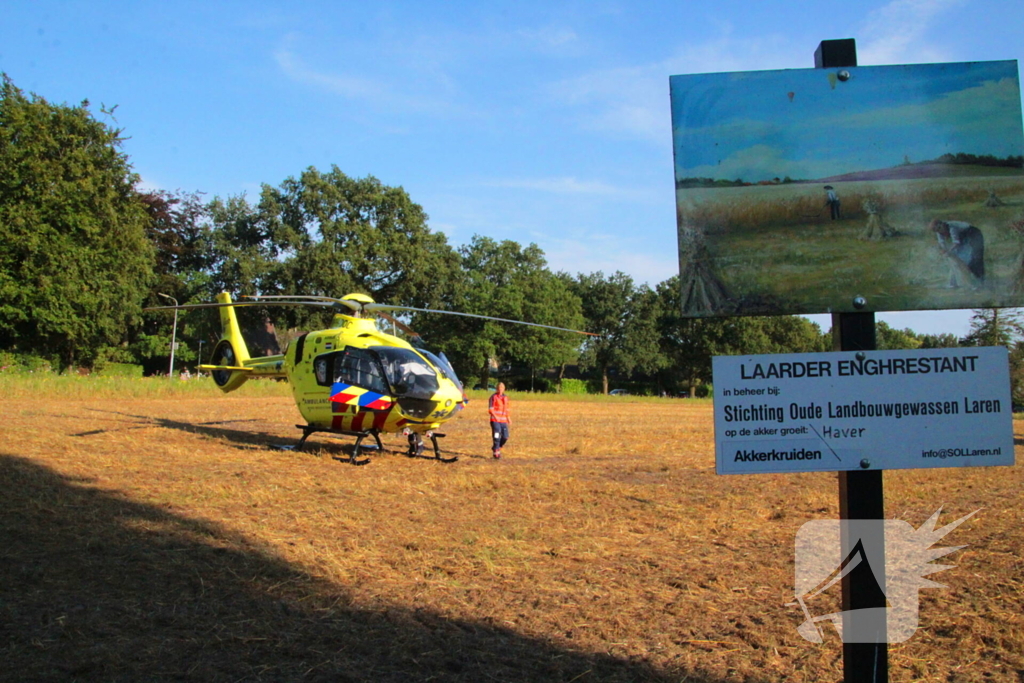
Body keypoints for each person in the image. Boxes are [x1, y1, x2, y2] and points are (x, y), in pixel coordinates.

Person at [930, 219, 985, 288]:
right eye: (936, 231)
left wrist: (948, 251)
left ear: (942, 224)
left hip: (974, 234)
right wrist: (944, 251)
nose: (939, 232)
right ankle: (953, 283)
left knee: (975, 257)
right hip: (963, 236)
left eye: (939, 229)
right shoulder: (939, 232)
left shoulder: (952, 227)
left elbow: (956, 243)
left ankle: (980, 281)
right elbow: (942, 243)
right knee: (956, 259)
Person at [488, 382, 510, 459]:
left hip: (503, 421)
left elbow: (507, 409)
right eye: (499, 388)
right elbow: (490, 409)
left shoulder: (506, 397)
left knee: (505, 436)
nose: (500, 389)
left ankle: (498, 446)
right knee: (497, 435)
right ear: (497, 389)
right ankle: (496, 452)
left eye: (502, 388)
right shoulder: (493, 397)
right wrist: (495, 416)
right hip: (495, 420)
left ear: (504, 389)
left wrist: (508, 417)